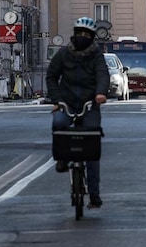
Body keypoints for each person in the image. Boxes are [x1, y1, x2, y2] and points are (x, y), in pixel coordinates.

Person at [46, 17, 109, 208]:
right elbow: (51, 76)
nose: (82, 37)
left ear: (91, 37)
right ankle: (62, 159)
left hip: (89, 104)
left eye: (86, 34)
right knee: (59, 124)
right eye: (79, 33)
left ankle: (95, 194)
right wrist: (57, 100)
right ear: (74, 34)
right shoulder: (64, 54)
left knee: (91, 148)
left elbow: (102, 74)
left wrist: (100, 93)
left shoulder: (97, 55)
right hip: (67, 102)